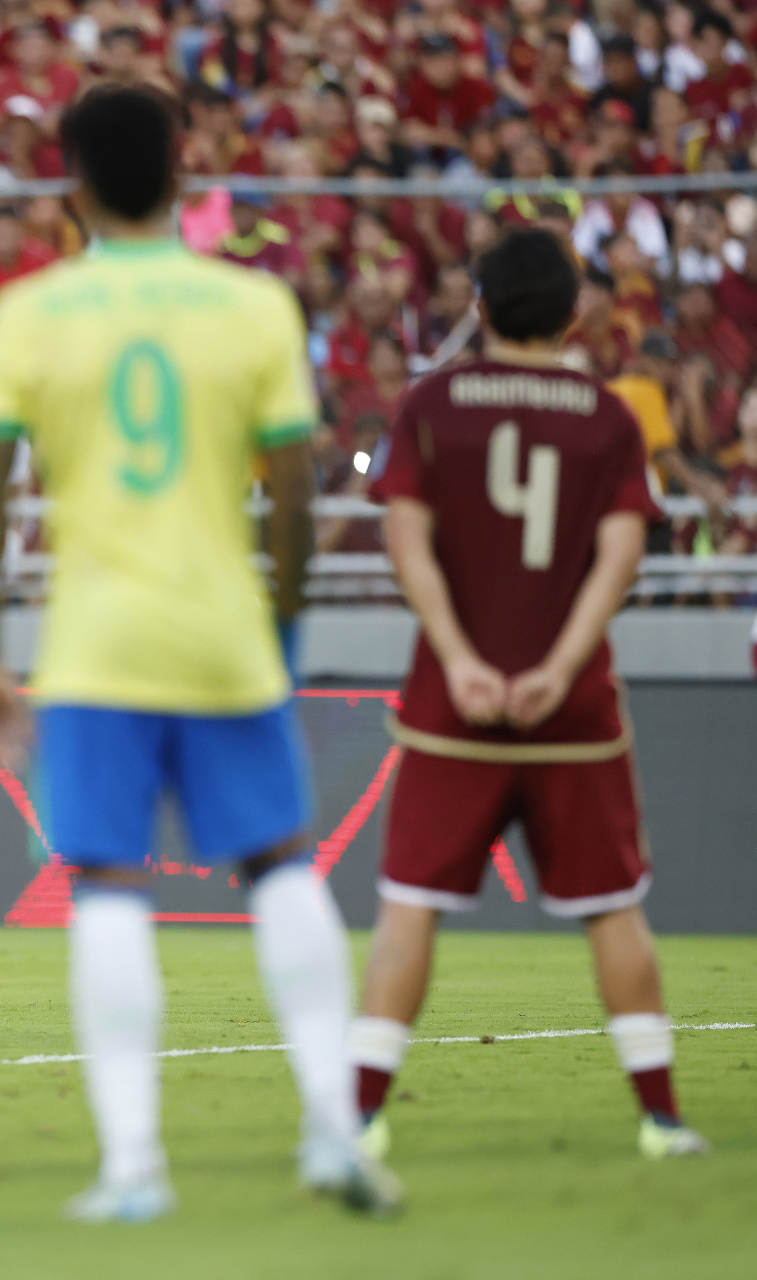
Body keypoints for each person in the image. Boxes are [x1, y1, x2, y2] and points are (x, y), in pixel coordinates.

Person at [0, 86, 400, 1223]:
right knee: (281, 867)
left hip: (98, 647)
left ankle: (133, 1166)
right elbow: (298, 493)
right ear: (182, 172)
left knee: (106, 884)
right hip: (224, 637)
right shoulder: (254, 306)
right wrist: (286, 631)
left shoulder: (28, 314)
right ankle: (334, 1128)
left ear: (72, 187)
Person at [352, 227, 708, 1163]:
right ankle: (662, 1119)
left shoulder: (432, 404)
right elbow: (623, 553)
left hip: (450, 710)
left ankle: (361, 1119)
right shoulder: (606, 415)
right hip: (574, 714)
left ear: (479, 305)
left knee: (410, 905)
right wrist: (559, 663)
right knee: (613, 907)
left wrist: (463, 657)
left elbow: (407, 539)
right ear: (574, 310)